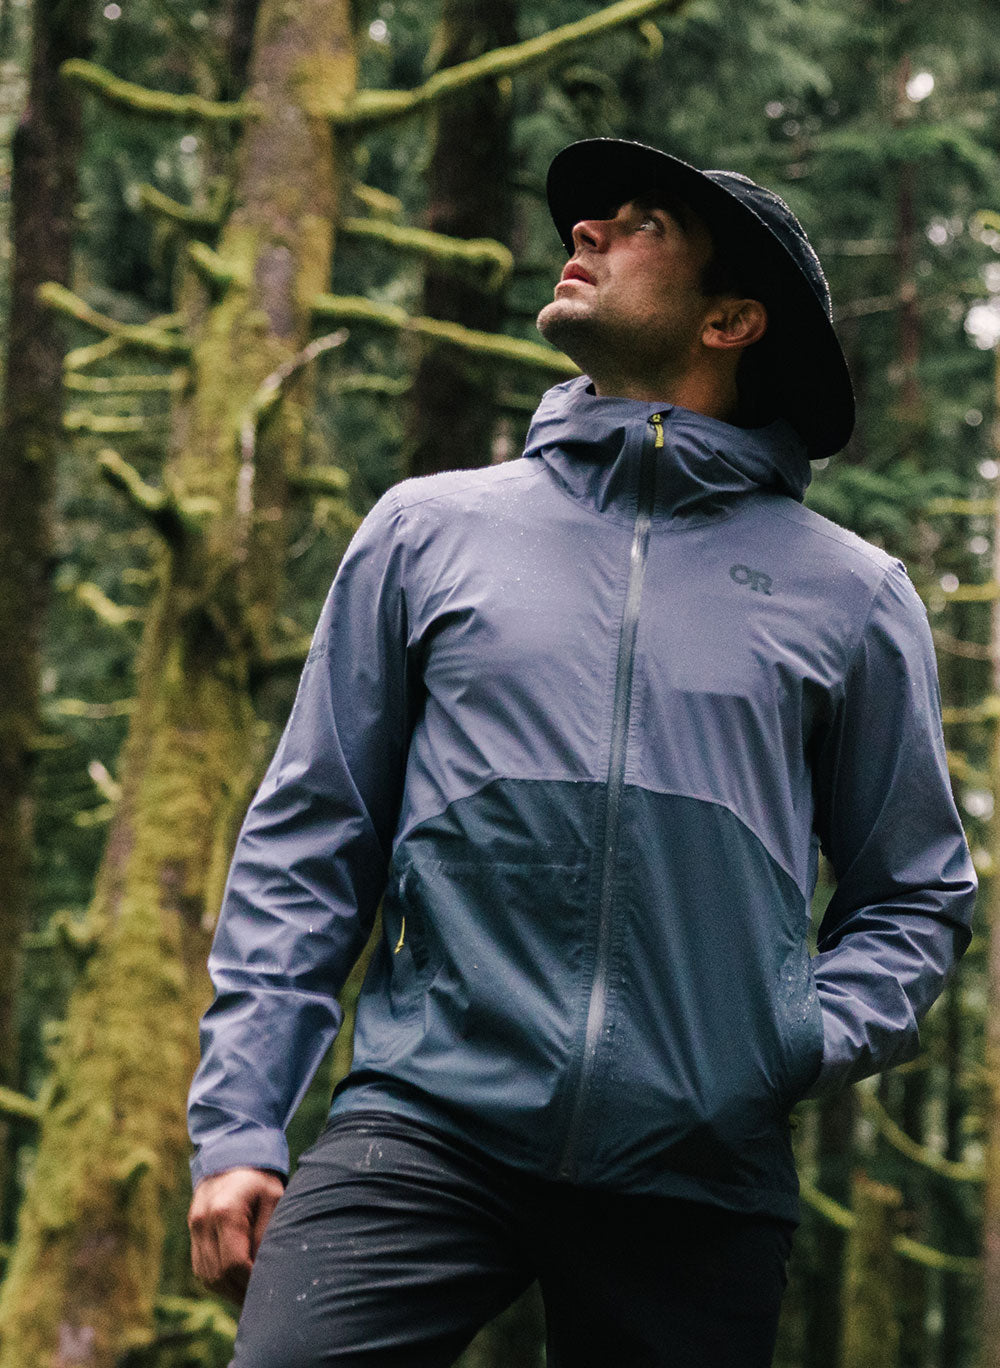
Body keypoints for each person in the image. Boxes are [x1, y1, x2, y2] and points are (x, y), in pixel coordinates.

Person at [186, 139, 976, 1367]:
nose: (588, 232)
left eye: (641, 220)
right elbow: (312, 838)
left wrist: (784, 1036)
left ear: (731, 317)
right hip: (424, 1122)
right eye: (592, 217)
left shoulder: (852, 596)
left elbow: (915, 896)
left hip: (697, 1164)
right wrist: (242, 1120)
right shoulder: (426, 532)